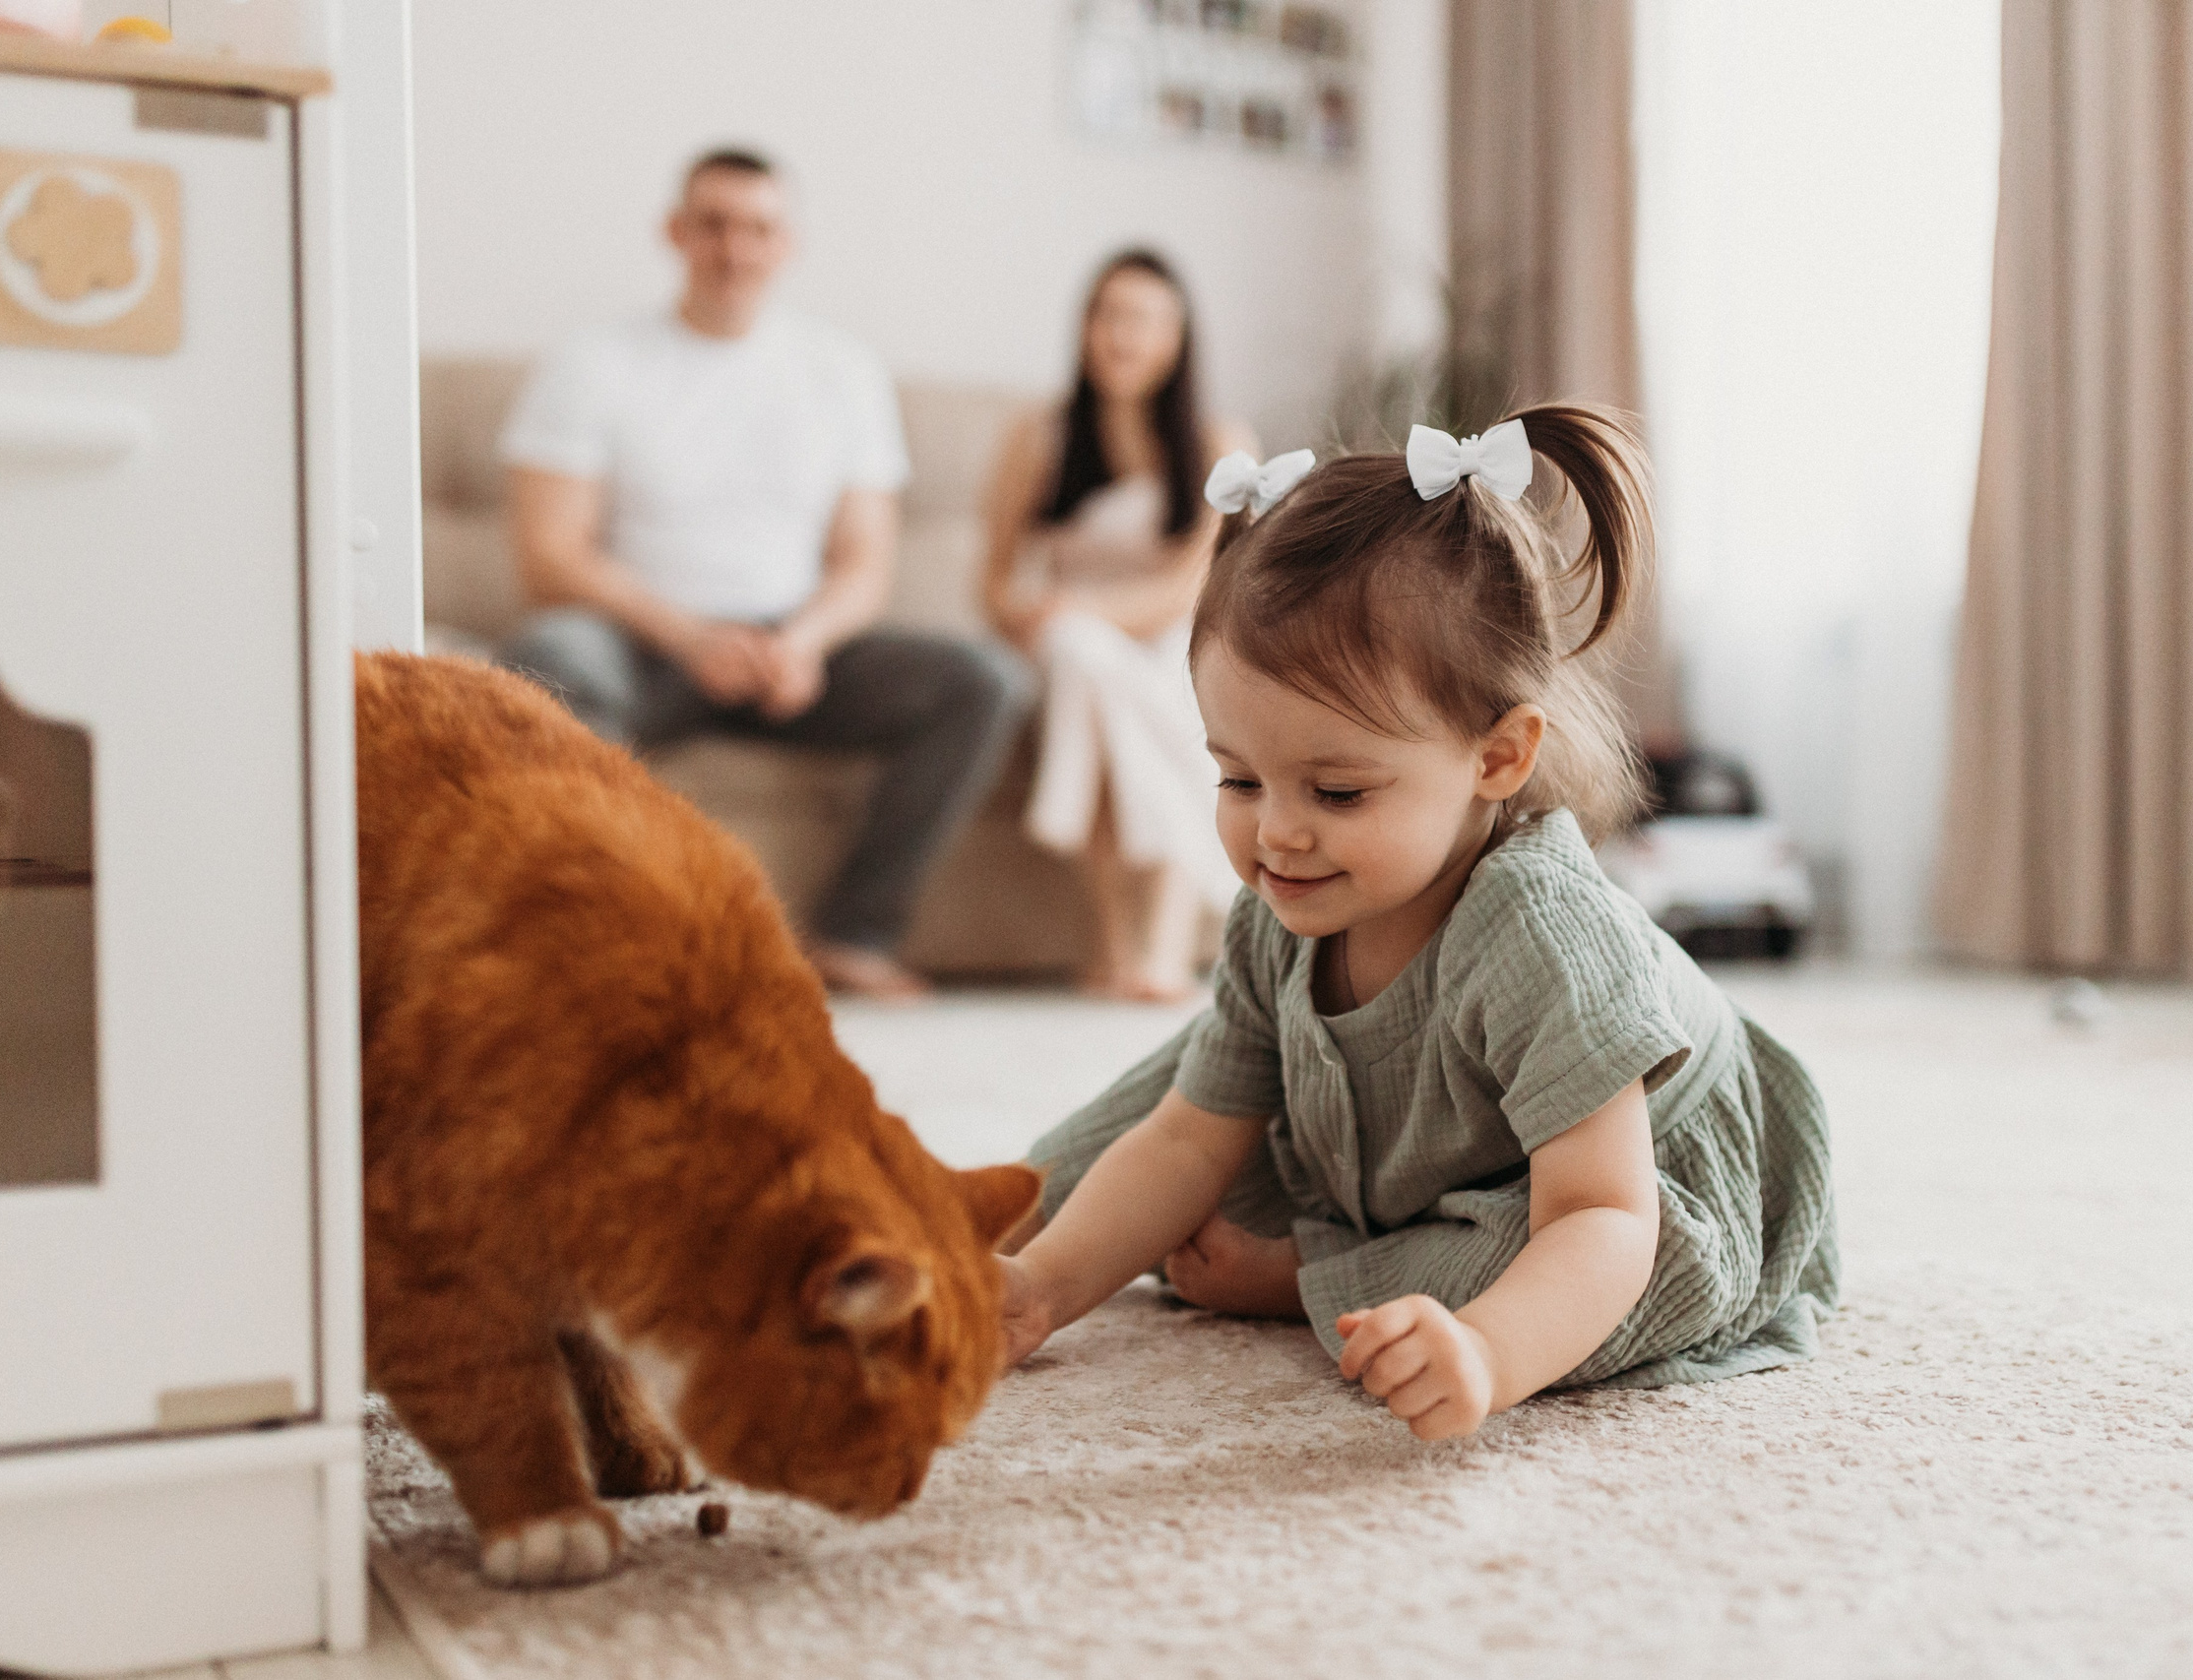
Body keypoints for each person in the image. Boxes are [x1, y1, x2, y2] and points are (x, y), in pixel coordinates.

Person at [994, 407, 1840, 1436]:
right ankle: (989, 1211)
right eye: (1237, 779)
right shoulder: (1285, 904)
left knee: (1532, 1267)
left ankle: (1311, 1268)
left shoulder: (1543, 939)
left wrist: (1488, 1352)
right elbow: (1183, 1142)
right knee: (1175, 1095)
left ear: (1496, 759)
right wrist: (1039, 1290)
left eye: (1338, 793)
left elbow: (1602, 1217)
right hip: (1405, 1132)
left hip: (1629, 1181)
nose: (1277, 836)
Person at [499, 149, 1033, 1000]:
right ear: (674, 234)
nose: (734, 248)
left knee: (985, 680)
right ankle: (603, 939)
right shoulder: (593, 362)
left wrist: (803, 641)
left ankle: (856, 934)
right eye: (713, 224)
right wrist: (692, 634)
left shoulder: (843, 372)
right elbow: (550, 558)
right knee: (550, 658)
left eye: (759, 228)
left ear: (789, 244)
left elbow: (866, 562)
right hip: (648, 645)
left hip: (795, 649)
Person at [977, 251, 1251, 1001]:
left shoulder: (1223, 444)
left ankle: (1144, 946)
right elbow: (995, 578)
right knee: (1080, 659)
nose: (1120, 336)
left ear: (1177, 337)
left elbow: (1197, 587)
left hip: (1168, 642)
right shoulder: (1039, 437)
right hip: (1060, 644)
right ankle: (1128, 943)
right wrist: (1031, 614)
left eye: (1142, 319)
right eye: (1107, 315)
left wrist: (1087, 615)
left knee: (1143, 669)